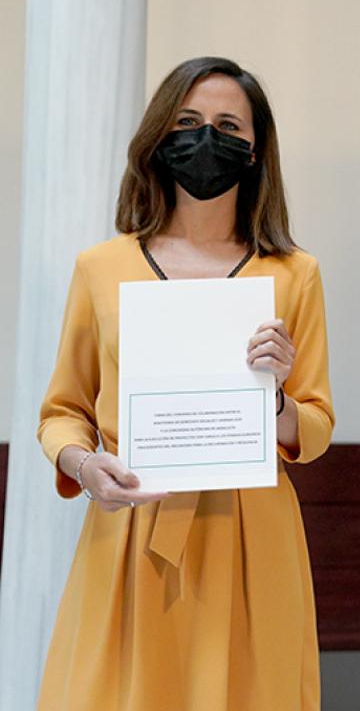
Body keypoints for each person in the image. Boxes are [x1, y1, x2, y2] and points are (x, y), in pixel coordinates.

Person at [37, 57, 334, 711]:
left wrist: (276, 398)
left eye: (228, 126)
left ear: (255, 149)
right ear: (158, 138)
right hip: (132, 526)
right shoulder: (100, 267)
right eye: (188, 122)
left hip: (252, 536)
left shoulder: (295, 274)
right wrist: (85, 466)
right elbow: (61, 412)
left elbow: (314, 430)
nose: (206, 138)